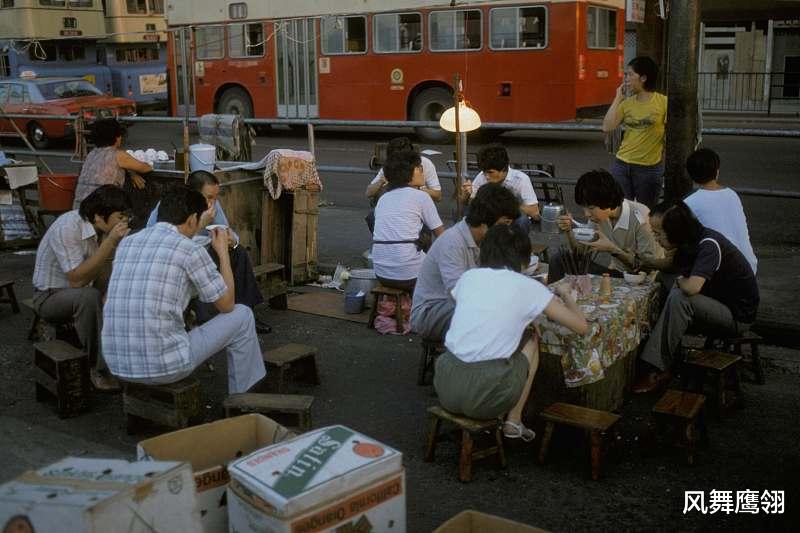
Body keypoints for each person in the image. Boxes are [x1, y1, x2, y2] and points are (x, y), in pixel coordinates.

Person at [102, 186, 266, 394]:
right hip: (165, 366)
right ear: (192, 220)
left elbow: (107, 300)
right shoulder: (191, 250)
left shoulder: (128, 242)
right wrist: (223, 252)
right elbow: (226, 304)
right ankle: (243, 398)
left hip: (117, 365)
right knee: (242, 315)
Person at [434, 224, 588, 440]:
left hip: (445, 386)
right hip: (485, 398)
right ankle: (514, 421)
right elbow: (581, 327)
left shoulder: (468, 278)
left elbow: (486, 314)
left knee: (522, 333)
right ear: (524, 258)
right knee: (532, 339)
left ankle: (512, 420)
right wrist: (566, 294)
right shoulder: (528, 286)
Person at [634, 202, 759, 393]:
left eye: (659, 233)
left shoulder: (708, 244)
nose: (655, 238)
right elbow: (670, 268)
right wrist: (645, 262)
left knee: (681, 296)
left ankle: (657, 369)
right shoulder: (688, 241)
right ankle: (660, 350)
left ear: (676, 231)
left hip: (737, 316)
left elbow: (692, 287)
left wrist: (679, 281)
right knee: (662, 280)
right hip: (714, 301)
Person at [32, 185, 132, 390]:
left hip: (82, 289)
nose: (124, 222)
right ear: (98, 216)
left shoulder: (100, 229)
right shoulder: (68, 227)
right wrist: (110, 242)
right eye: (120, 217)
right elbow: (76, 280)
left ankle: (124, 361)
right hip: (50, 296)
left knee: (120, 288)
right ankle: (98, 369)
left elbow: (106, 270)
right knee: (89, 297)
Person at [146, 170, 268, 331]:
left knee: (239, 253)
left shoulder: (212, 205)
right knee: (200, 263)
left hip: (205, 251)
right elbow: (164, 243)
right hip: (174, 259)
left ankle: (246, 312)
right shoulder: (172, 205)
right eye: (209, 197)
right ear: (193, 193)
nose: (213, 202)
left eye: (215, 197)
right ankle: (207, 319)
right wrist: (201, 224)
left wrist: (233, 240)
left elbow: (226, 229)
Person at [411, 183, 519, 342]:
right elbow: (457, 292)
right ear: (485, 221)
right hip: (431, 313)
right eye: (505, 224)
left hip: (457, 307)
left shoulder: (485, 241)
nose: (507, 230)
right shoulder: (452, 242)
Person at [550, 169, 660, 283]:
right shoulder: (598, 218)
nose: (586, 214)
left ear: (607, 201)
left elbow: (647, 267)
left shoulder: (640, 216)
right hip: (614, 273)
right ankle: (551, 299)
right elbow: (581, 253)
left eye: (591, 208)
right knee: (560, 259)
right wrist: (568, 231)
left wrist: (613, 250)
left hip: (640, 279)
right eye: (584, 207)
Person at [371, 150, 444, 292]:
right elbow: (441, 234)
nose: (422, 172)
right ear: (408, 173)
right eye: (419, 168)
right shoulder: (421, 197)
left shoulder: (383, 198)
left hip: (381, 272)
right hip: (408, 274)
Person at [602, 56, 667, 208]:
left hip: (649, 168)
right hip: (622, 165)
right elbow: (607, 126)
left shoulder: (663, 102)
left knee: (646, 212)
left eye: (630, 74)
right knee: (621, 210)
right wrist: (618, 98)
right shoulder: (627, 104)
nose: (626, 79)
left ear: (643, 78)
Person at [683, 148, 757, 274]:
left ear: (691, 176)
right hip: (749, 265)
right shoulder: (732, 194)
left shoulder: (690, 203)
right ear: (717, 172)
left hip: (722, 270)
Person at [365, 137, 441, 234]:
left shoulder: (425, 165)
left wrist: (418, 188)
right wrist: (381, 182)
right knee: (373, 217)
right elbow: (368, 192)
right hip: (395, 209)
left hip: (415, 210)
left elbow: (438, 196)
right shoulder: (390, 166)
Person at [72, 118, 152, 209]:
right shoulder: (118, 154)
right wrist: (133, 171)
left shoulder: (91, 154)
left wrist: (130, 172)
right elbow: (146, 168)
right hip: (98, 210)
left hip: (78, 207)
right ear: (117, 137)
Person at [461, 144, 540, 232]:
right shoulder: (482, 176)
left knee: (522, 220)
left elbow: (535, 213)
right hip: (489, 217)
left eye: (491, 172)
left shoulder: (521, 179)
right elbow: (471, 203)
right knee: (467, 214)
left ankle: (517, 244)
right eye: (484, 172)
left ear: (503, 169)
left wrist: (508, 206)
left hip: (510, 217)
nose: (487, 177)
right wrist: (466, 196)